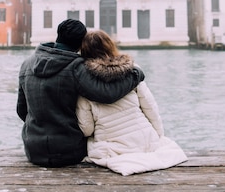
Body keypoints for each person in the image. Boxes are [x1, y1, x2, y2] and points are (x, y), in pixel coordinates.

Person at [17, 19, 145, 168]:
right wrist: (136, 74)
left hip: (34, 150)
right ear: (81, 43)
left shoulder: (26, 64)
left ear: (58, 35)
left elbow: (21, 111)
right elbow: (107, 94)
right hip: (69, 151)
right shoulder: (76, 67)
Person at [76, 30, 187, 176]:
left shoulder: (85, 84)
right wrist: (157, 136)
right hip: (145, 138)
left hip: (114, 147)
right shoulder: (132, 72)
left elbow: (87, 129)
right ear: (110, 46)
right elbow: (150, 108)